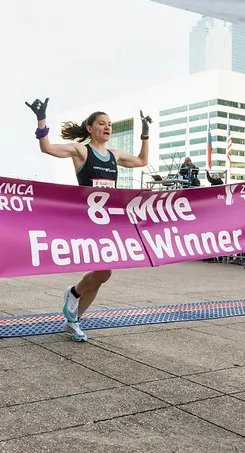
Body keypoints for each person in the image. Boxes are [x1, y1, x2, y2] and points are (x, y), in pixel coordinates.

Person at [25, 98, 150, 341]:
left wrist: (145, 135)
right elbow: (47, 148)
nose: (107, 127)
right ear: (90, 128)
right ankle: (73, 293)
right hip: (86, 220)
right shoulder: (82, 151)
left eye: (110, 124)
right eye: (102, 123)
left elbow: (142, 161)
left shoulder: (114, 155)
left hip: (109, 222)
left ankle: (74, 320)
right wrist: (41, 121)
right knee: (103, 272)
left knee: (103, 275)